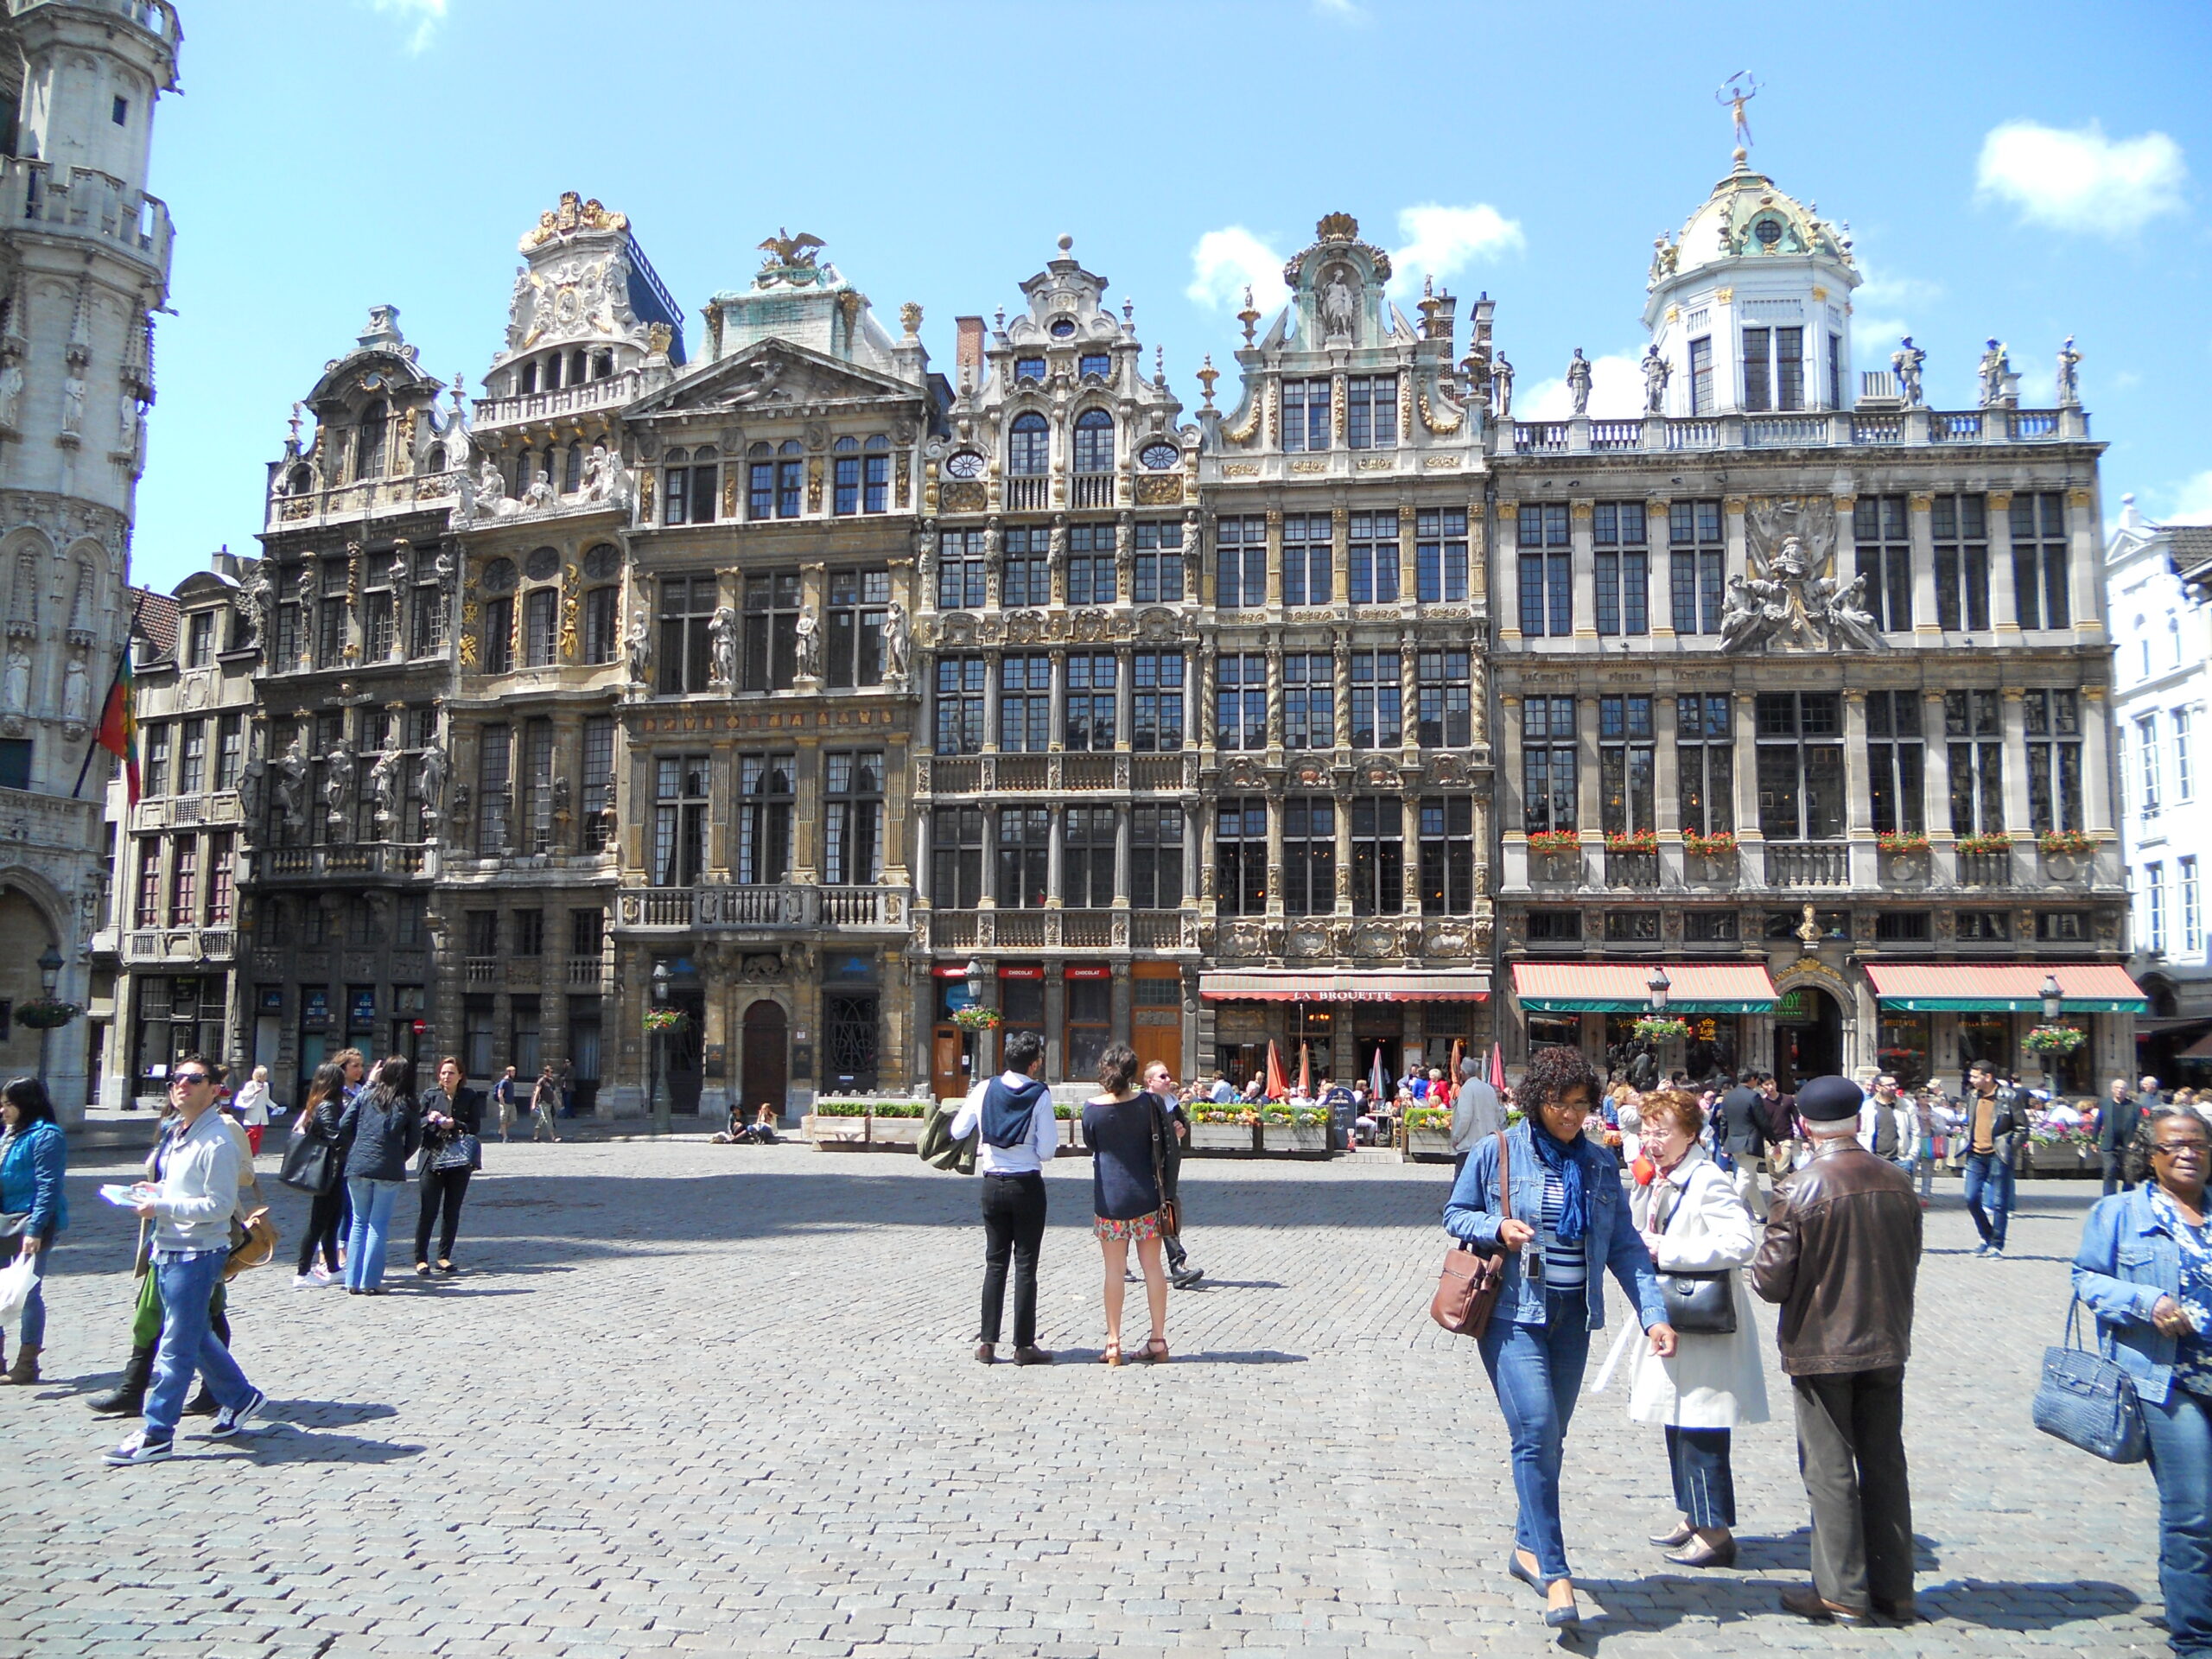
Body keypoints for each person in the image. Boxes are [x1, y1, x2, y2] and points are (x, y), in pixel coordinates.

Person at [1444, 1045, 1675, 1634]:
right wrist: (1496, 1226)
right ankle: (1555, 1570)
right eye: (1558, 1103)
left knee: (1549, 1439)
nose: (1570, 1115)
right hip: (1511, 1317)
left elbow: (1624, 1246)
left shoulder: (1598, 1163)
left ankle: (1526, 1547)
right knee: (1537, 1430)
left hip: (1573, 1318)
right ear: (1536, 1100)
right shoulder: (1499, 1150)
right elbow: (1456, 1214)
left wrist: (1652, 1315)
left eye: (1579, 1104)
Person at [1752, 1074, 1923, 1626]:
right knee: (1885, 1461)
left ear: (1804, 1125)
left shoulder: (1797, 1188)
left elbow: (1771, 1282)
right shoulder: (1897, 1181)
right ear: (1860, 1119)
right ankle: (1895, 1589)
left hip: (1822, 1344)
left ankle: (1842, 1591)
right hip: (1886, 1339)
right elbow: (1911, 1255)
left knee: (1829, 1469)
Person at [2073, 1108, 2212, 1659]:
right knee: (2194, 1510)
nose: (2188, 1153)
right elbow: (2086, 1278)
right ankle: (2196, 1637)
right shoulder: (2121, 1212)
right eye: (2174, 1145)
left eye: (2197, 1143)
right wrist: (2144, 1301)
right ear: (2151, 1156)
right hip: (2166, 1383)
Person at [1621, 1089, 1767, 1568]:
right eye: (1648, 1131)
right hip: (1674, 1315)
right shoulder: (1661, 1177)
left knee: (1701, 1423)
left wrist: (1668, 1250)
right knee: (1677, 1418)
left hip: (1704, 1320)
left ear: (1690, 1135)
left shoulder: (1707, 1180)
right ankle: (1694, 1515)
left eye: (1662, 1132)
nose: (1652, 1141)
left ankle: (1716, 1532)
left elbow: (1741, 1243)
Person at [103, 1057, 266, 1465]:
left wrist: (162, 1205)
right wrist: (154, 1190)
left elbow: (219, 1205)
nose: (182, 1085)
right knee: (194, 1334)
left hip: (197, 1252)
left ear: (214, 1089)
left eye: (194, 1079)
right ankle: (241, 1397)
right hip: (168, 1246)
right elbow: (185, 1188)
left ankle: (157, 1432)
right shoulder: (180, 1131)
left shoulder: (219, 1140)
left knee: (176, 1346)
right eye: (177, 1078)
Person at [950, 1030, 1057, 1365]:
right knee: (1026, 1266)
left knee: (995, 1263)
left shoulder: (984, 1088)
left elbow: (957, 1130)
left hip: (992, 1183)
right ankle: (1024, 1345)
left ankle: (987, 1342)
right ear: (1034, 1064)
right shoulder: (1039, 1094)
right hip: (1026, 1185)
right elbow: (1047, 1150)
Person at [1083, 1045, 1173, 1365]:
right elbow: (1167, 1147)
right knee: (1153, 1268)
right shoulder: (1149, 1103)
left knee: (1114, 1271)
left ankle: (1113, 1343)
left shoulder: (1091, 1109)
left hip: (1110, 1199)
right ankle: (1158, 1339)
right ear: (1134, 1073)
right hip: (1146, 1195)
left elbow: (1092, 1145)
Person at [0, 1077, 68, 1383]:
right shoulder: (9, 1134)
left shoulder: (46, 1135)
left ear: (26, 1104)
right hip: (4, 1218)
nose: (3, 1111)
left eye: (9, 1105)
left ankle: (27, 1362)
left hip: (30, 1221)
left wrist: (36, 1229)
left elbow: (48, 1185)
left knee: (28, 1291)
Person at [334, 1056, 421, 1294]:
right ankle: (370, 1282)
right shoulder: (408, 1102)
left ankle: (352, 1280)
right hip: (388, 1168)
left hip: (358, 1164)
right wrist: (398, 1157)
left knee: (358, 1222)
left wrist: (357, 1146)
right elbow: (415, 1139)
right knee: (378, 1224)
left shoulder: (366, 1095)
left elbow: (344, 1124)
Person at [414, 1056, 482, 1276]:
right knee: (428, 1210)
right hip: (432, 1159)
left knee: (452, 1210)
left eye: (451, 1073)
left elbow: (475, 1126)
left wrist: (456, 1124)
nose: (446, 1077)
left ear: (460, 1076)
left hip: (458, 1161)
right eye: (443, 1073)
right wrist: (429, 1119)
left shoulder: (469, 1096)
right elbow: (415, 1123)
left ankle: (443, 1256)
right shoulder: (430, 1095)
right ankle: (421, 1258)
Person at [1141, 1059, 1203, 1289]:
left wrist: (1180, 1129)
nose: (1168, 1080)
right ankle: (1176, 1264)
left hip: (1170, 1165)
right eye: (1163, 1076)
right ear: (1150, 1081)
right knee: (1159, 1211)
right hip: (1149, 1167)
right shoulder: (1142, 1104)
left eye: (1168, 1075)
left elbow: (1183, 1127)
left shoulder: (1171, 1102)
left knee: (1168, 1209)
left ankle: (1177, 1265)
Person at [289, 1062, 350, 1287]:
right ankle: (302, 1272)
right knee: (318, 1223)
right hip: (327, 1170)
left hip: (335, 1170)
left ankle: (333, 1268)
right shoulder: (326, 1106)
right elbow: (336, 1137)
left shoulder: (323, 1103)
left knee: (332, 1222)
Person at [1961, 1059, 2028, 1257]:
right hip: (1975, 1154)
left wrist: (2008, 1147)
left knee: (1999, 1202)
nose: (1971, 1080)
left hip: (1998, 1154)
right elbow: (1970, 1122)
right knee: (1971, 1198)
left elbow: (2022, 1128)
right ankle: (1986, 1235)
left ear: (1988, 1077)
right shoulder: (1973, 1095)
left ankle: (1997, 1245)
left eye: (1975, 1076)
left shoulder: (2009, 1096)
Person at [1713, 1072, 1767, 1218]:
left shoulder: (1728, 1096)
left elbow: (1724, 1121)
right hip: (1750, 1142)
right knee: (1744, 1178)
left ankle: (1761, 1214)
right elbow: (1762, 1121)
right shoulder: (1754, 1096)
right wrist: (1773, 1140)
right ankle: (1728, 1211)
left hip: (1733, 1142)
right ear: (1752, 1079)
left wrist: (1723, 1142)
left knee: (1751, 1179)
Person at [1450, 1057, 1506, 1178]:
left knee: (1462, 1182)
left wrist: (1456, 1138)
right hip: (1488, 1144)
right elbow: (1498, 1115)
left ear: (1463, 1073)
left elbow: (1465, 1118)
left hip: (1470, 1145)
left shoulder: (1466, 1089)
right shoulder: (1489, 1088)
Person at [1858, 1076, 1920, 1173]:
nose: (1894, 1088)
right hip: (1875, 1160)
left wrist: (1911, 1156)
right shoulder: (1868, 1107)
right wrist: (1866, 1153)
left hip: (1901, 1161)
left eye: (1895, 1084)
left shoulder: (1906, 1105)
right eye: (1890, 1085)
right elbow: (1862, 1133)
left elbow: (1915, 1132)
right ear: (1878, 1087)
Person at [2103, 1077, 2145, 1198]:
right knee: (2109, 1171)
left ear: (2126, 1090)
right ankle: (2109, 1198)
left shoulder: (2135, 1106)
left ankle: (2128, 1197)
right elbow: (2099, 1122)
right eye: (2117, 1088)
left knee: (2128, 1173)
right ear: (2112, 1089)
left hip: (2128, 1145)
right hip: (2109, 1144)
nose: (2120, 1090)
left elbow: (2141, 1126)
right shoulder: (2105, 1104)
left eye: (2122, 1088)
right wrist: (2094, 1140)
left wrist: (2136, 1141)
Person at [233, 1065, 273, 1155]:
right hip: (253, 1111)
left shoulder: (266, 1085)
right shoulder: (250, 1084)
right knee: (252, 1133)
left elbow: (266, 1099)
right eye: (264, 1075)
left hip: (262, 1113)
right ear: (259, 1076)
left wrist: (275, 1106)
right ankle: (245, 1149)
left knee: (259, 1134)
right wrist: (255, 1092)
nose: (266, 1077)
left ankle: (254, 1152)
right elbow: (244, 1096)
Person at [529, 1063, 562, 1142]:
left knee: (542, 1119)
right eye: (551, 1072)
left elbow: (553, 1092)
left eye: (552, 1072)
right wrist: (533, 1103)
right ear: (546, 1072)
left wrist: (558, 1101)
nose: (552, 1073)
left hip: (549, 1103)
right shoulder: (541, 1081)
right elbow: (537, 1092)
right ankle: (553, 1137)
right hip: (543, 1103)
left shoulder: (551, 1081)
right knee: (548, 1119)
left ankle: (536, 1136)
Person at [492, 1065, 519, 1143]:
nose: (514, 1073)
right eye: (513, 1072)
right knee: (503, 1121)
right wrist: (503, 1103)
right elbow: (500, 1094)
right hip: (505, 1104)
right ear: (508, 1072)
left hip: (512, 1103)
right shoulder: (504, 1082)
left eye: (514, 1072)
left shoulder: (511, 1081)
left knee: (513, 1120)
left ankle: (500, 1131)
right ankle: (505, 1137)